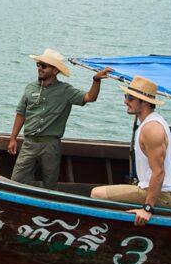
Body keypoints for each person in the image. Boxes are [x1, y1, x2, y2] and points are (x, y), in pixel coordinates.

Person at [7, 49, 111, 189]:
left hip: (51, 145)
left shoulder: (65, 90)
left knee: (50, 184)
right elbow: (21, 113)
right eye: (38, 64)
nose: (39, 68)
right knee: (16, 181)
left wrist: (96, 80)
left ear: (55, 70)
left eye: (44, 66)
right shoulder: (30, 88)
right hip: (29, 143)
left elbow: (90, 97)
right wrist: (13, 138)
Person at [90, 76, 171, 226]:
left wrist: (147, 208)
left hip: (163, 195)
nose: (125, 101)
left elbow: (158, 171)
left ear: (144, 101)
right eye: (126, 96)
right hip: (164, 191)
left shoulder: (151, 128)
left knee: (97, 194)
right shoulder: (156, 121)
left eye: (130, 98)